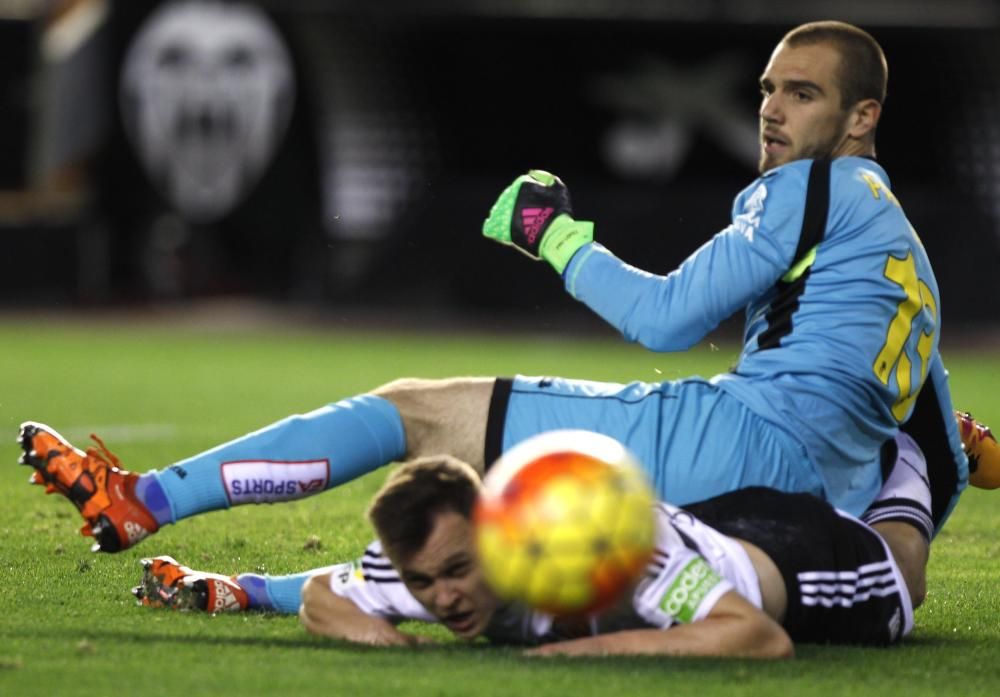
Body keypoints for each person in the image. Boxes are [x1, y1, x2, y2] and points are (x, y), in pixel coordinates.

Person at [16, 21, 983, 556]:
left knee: (414, 413)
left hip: (734, 443)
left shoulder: (809, 188)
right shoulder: (911, 260)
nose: (771, 110)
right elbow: (939, 456)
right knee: (513, 531)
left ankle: (142, 498)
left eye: (801, 94)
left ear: (864, 117)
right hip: (807, 499)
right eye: (768, 87)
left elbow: (666, 317)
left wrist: (549, 235)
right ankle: (243, 580)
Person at [131, 431, 935, 657]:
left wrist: (591, 649)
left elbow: (756, 637)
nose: (441, 598)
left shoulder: (596, 552)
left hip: (792, 563)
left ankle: (920, 454)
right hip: (707, 526)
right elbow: (323, 596)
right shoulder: (416, 571)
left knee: (903, 572)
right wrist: (392, 643)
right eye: (421, 584)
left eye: (455, 571)